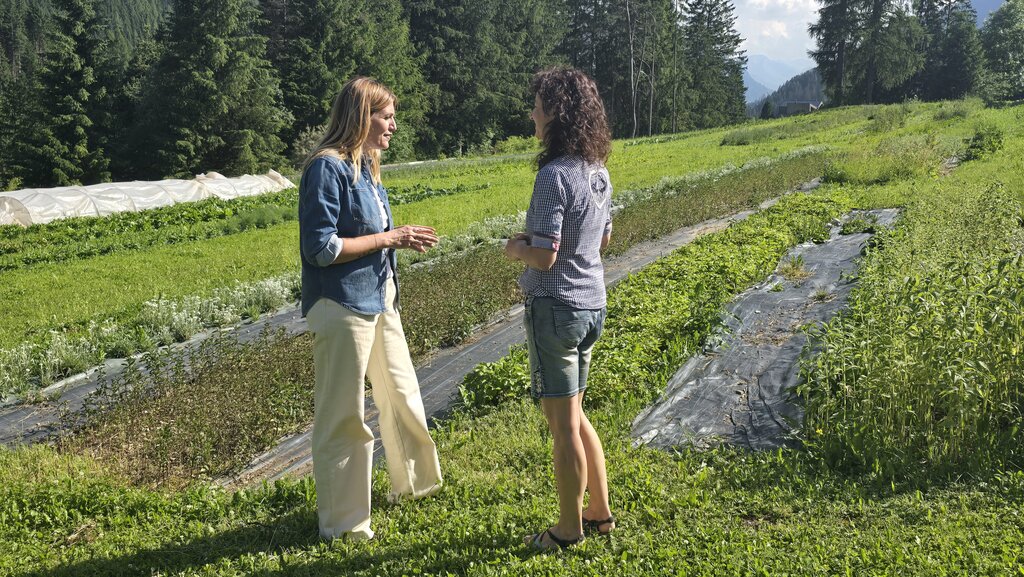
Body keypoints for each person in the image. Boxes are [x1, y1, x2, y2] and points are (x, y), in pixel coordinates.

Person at [298, 76, 443, 542]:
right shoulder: (328, 168)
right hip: (340, 305)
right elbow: (320, 248)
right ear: (362, 117)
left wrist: (397, 239)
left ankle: (417, 486)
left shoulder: (368, 168)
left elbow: (374, 235)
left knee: (401, 393)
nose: (393, 126)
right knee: (343, 415)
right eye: (387, 117)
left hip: (380, 300)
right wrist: (390, 238)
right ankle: (345, 526)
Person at [505, 68, 616, 551]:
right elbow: (603, 239)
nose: (532, 115)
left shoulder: (553, 176)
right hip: (591, 304)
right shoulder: (598, 172)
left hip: (555, 309)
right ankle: (599, 510)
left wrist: (516, 249)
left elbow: (545, 256)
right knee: (573, 414)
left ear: (557, 114)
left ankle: (569, 528)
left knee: (563, 425)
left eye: (538, 107)